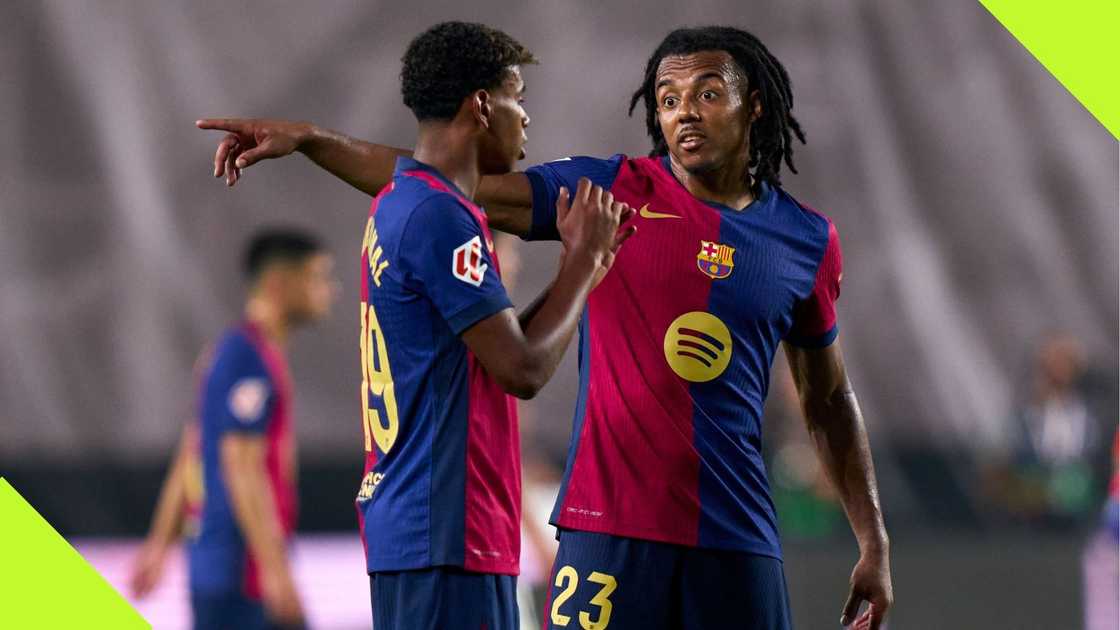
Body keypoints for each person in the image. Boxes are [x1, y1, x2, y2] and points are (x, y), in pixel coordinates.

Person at [198, 24, 892, 630]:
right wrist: (313, 140)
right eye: (668, 98)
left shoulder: (806, 241)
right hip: (606, 533)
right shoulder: (612, 193)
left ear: (755, 104)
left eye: (707, 93)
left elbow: (828, 399)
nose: (684, 111)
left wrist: (873, 541)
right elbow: (441, 180)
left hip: (738, 537)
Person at [344, 22, 631, 630]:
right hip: (448, 531)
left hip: (419, 528)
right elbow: (521, 370)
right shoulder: (441, 215)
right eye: (516, 98)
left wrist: (583, 268)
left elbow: (492, 353)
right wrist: (582, 262)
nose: (525, 117)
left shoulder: (399, 200)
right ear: (480, 106)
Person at [129, 228, 338, 629]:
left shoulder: (232, 353)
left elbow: (192, 452)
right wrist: (276, 571)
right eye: (317, 277)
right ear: (279, 284)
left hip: (221, 570)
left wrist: (159, 544)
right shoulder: (247, 358)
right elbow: (241, 466)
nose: (329, 290)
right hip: (242, 574)